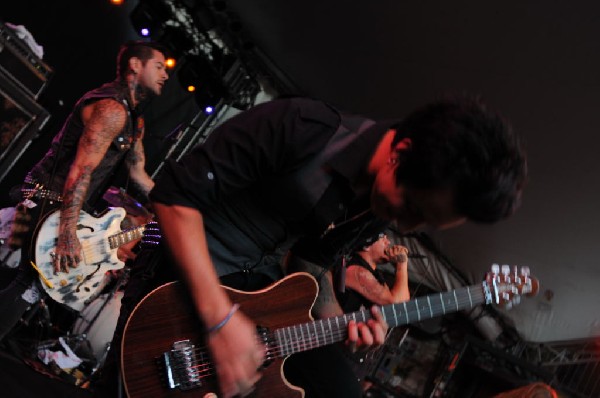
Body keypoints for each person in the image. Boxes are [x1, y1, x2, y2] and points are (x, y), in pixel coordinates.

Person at [127, 94, 526, 398]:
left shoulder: (376, 208)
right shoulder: (303, 127)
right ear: (400, 154)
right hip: (178, 261)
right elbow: (175, 196)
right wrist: (221, 320)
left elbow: (311, 263)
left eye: (425, 222)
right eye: (413, 208)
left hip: (254, 287)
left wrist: (343, 322)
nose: (406, 225)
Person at [0, 40, 169, 341]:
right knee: (27, 281)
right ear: (135, 65)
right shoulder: (112, 109)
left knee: (26, 280)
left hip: (67, 205)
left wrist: (172, 204)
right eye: (158, 66)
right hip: (47, 195)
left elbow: (138, 173)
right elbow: (81, 171)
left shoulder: (134, 119)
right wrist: (67, 235)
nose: (166, 74)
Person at [337, 232, 410, 312]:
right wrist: (402, 263)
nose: (388, 242)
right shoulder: (358, 271)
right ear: (367, 246)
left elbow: (402, 301)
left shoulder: (375, 273)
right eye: (383, 238)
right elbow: (397, 305)